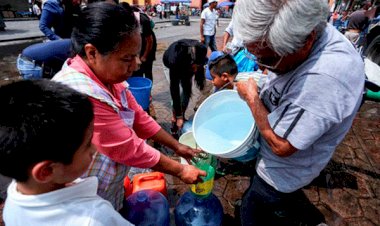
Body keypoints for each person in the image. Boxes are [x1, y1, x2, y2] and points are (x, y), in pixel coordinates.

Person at [52, 3, 205, 211]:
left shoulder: (108, 77)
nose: (136, 65)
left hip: (105, 188)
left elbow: (140, 118)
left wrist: (177, 146)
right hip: (81, 200)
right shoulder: (80, 94)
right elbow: (129, 147)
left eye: (136, 55)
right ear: (92, 53)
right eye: (127, 58)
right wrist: (179, 170)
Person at [233, 0, 365, 225]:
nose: (261, 64)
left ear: (307, 41)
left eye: (268, 59)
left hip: (281, 173)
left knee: (253, 210)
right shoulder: (307, 29)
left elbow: (282, 147)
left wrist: (253, 100)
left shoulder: (324, 81)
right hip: (283, 162)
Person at [0, 79, 133, 226]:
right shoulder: (94, 218)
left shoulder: (15, 194)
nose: (94, 149)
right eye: (87, 145)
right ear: (46, 171)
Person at [163, 39, 208, 135]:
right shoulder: (175, 58)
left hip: (187, 64)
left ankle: (181, 114)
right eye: (195, 67)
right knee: (176, 95)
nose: (196, 70)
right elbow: (174, 89)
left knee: (187, 89)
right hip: (171, 65)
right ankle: (175, 117)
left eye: (198, 66)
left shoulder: (200, 49)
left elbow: (200, 69)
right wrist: (178, 116)